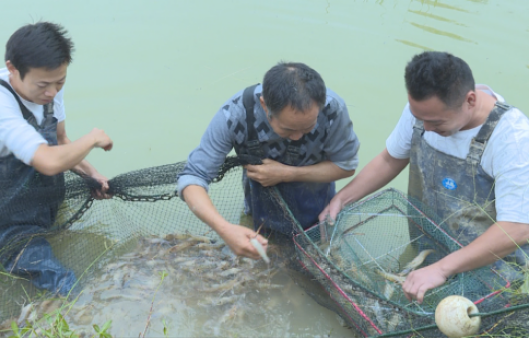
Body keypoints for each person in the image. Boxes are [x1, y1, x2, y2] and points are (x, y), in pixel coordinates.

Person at [319, 51, 529, 303]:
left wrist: (442, 269)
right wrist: (342, 199)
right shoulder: (422, 112)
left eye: (435, 122)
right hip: (430, 248)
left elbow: (517, 229)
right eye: (419, 118)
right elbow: (391, 158)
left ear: (470, 100)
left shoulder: (513, 139)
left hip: (490, 272)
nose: (425, 128)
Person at [0, 22, 113, 296]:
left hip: (40, 200)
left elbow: (61, 141)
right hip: (1, 219)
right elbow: (48, 161)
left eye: (60, 82)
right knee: (66, 284)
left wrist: (92, 174)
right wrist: (92, 138)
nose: (52, 92)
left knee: (58, 241)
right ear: (12, 69)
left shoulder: (49, 85)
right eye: (44, 85)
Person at [178, 62, 360, 259]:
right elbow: (192, 178)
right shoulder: (235, 115)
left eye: (308, 127)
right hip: (259, 211)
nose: (298, 137)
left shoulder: (333, 110)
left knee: (322, 258)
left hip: (317, 211)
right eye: (288, 129)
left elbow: (346, 166)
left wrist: (287, 174)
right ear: (265, 105)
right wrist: (225, 229)